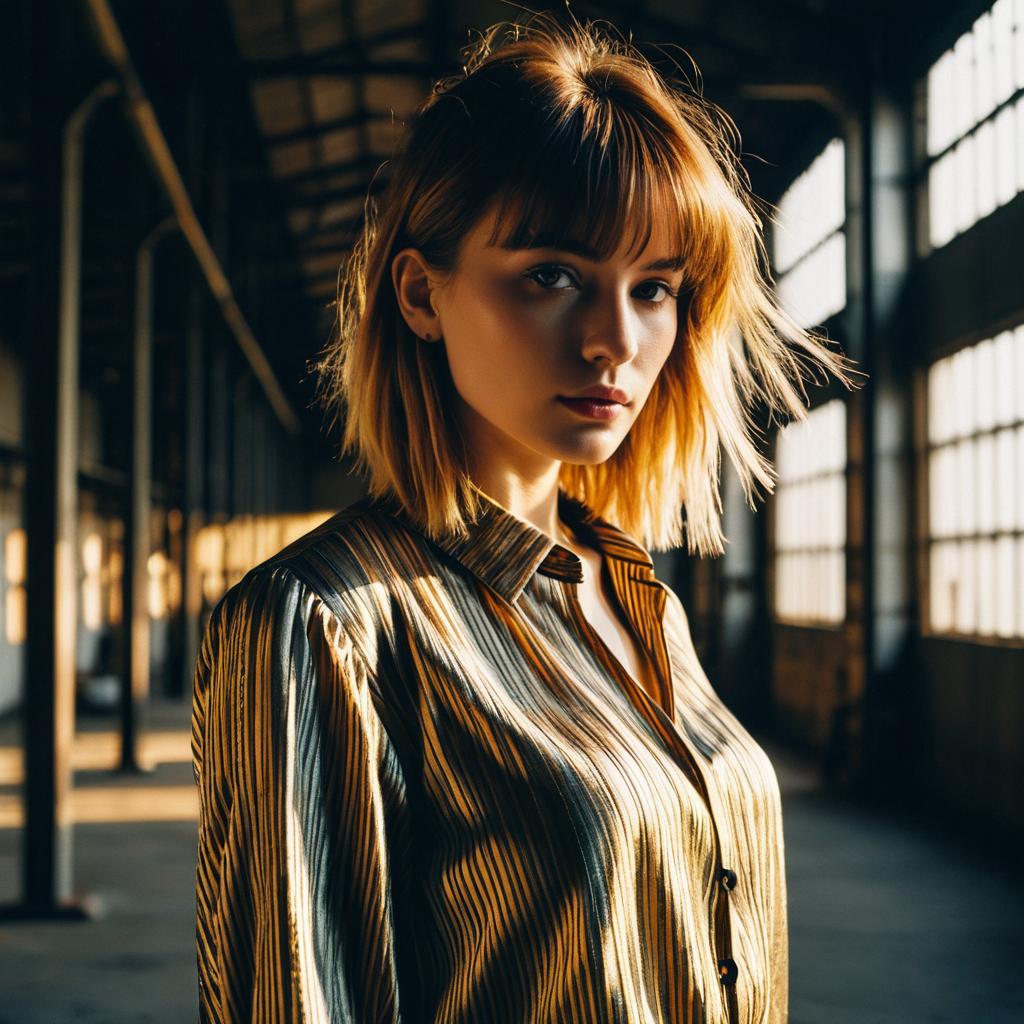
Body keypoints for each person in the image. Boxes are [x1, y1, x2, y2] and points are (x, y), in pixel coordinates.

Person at [192, 11, 857, 1023]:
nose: (614, 340)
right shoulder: (323, 624)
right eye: (552, 275)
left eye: (655, 288)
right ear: (420, 294)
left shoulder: (641, 599)